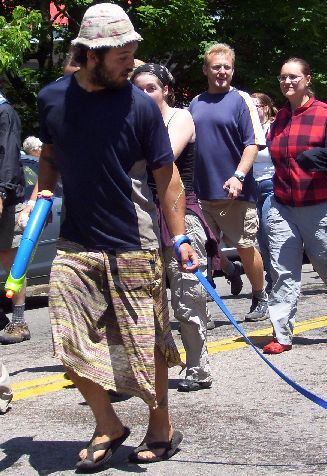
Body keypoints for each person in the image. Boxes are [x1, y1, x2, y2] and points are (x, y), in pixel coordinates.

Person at [23, 3, 198, 470]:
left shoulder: (138, 105)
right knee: (66, 333)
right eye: (124, 54)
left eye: (133, 52)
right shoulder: (53, 98)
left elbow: (169, 179)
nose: (133, 62)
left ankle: (161, 427)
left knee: (147, 341)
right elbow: (53, 155)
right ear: (92, 54)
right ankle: (108, 422)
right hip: (77, 242)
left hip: (134, 240)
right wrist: (42, 190)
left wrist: (180, 238)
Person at [263, 58, 327, 354]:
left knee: (326, 263)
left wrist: (312, 157)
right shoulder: (280, 118)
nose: (288, 82)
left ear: (307, 79)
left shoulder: (325, 114)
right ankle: (281, 334)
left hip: (319, 204)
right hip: (283, 203)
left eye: (294, 77)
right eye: (283, 77)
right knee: (283, 270)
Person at [131, 63, 219, 393]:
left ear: (166, 90)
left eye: (150, 88)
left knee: (186, 297)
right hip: (141, 216)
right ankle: (141, 372)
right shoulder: (132, 123)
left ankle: (198, 368)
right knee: (141, 301)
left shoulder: (179, 118)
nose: (143, 95)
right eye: (137, 89)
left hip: (181, 215)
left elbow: (162, 158)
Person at [189, 43, 268, 322]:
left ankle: (260, 295)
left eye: (227, 67)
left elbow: (253, 144)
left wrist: (238, 176)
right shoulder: (195, 103)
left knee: (245, 246)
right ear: (205, 70)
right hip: (200, 193)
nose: (222, 72)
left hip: (236, 192)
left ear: (232, 70)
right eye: (216, 67)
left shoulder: (241, 100)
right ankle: (204, 307)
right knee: (201, 251)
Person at [0, 90, 27, 345]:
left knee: (10, 258)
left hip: (5, 197)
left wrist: (2, 191)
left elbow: (8, 154)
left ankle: (19, 321)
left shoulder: (5, 112)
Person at [250, 92, 277, 295]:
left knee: (269, 229)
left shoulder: (274, 127)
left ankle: (276, 277)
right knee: (259, 236)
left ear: (266, 107)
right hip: (252, 186)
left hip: (272, 185)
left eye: (257, 106)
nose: (253, 110)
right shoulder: (247, 130)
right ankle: (272, 276)